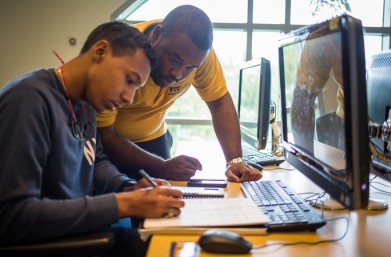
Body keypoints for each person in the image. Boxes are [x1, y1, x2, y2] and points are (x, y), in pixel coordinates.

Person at [0, 21, 184, 257]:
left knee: (178, 242)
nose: (129, 98)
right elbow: (12, 215)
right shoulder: (29, 100)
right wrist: (125, 204)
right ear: (100, 52)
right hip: (54, 243)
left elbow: (94, 158)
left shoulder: (86, 105)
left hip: (81, 232)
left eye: (136, 88)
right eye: (129, 80)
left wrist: (128, 187)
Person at [96, 5, 262, 183]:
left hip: (153, 138)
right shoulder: (120, 54)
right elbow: (106, 134)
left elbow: (219, 102)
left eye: (189, 68)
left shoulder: (198, 57)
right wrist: (161, 166)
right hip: (110, 141)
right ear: (157, 35)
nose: (178, 74)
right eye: (175, 60)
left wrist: (235, 161)